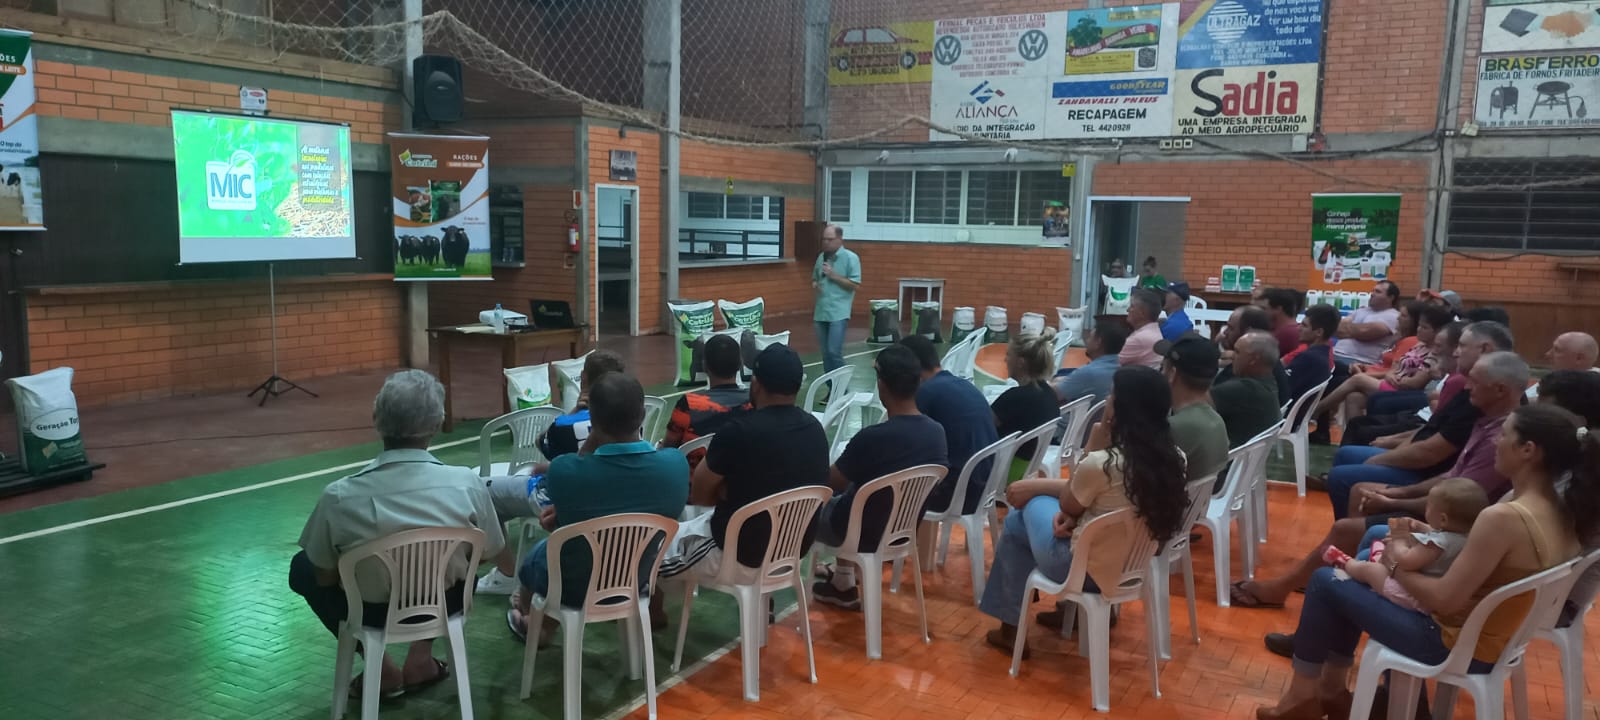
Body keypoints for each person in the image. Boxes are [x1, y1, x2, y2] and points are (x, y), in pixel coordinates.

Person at [1254, 403, 1594, 720]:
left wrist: (1392, 566)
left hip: (1450, 643)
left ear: (1528, 450)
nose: (1496, 443)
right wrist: (1414, 541)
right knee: (1373, 541)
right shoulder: (1563, 508)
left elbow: (1444, 600)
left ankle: (1304, 696)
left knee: (1327, 580)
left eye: (1504, 435)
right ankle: (1335, 690)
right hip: (1493, 638)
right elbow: (1474, 556)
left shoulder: (1505, 516)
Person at [1231, 343, 1527, 610]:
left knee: (1348, 525)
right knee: (1360, 491)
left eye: (1475, 381)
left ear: (1500, 390)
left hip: (1452, 523)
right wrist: (1396, 493)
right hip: (1445, 504)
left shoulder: (1499, 441)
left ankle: (1291, 587)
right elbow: (1451, 475)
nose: (1467, 386)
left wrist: (1393, 501)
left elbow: (1456, 493)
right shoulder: (1488, 420)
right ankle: (1339, 572)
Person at [290, 370, 506, 698]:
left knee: (302, 567)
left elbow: (324, 577)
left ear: (376, 419)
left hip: (372, 613)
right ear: (437, 424)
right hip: (444, 605)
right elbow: (491, 553)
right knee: (465, 568)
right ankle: (421, 659)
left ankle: (379, 666)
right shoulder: (468, 484)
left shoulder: (339, 496)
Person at [978, 366, 1188, 653]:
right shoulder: (1176, 459)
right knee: (1036, 512)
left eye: (1112, 396)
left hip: (1082, 570)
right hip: (1134, 566)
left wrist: (1095, 442)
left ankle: (1011, 628)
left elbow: (1070, 501)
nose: (1107, 399)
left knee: (1019, 516)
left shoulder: (1103, 462)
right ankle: (1068, 612)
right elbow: (1087, 502)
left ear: (1120, 409)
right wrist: (1072, 516)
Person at [508, 373, 689, 642]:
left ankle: (535, 622)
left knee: (542, 553)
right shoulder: (675, 464)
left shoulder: (565, 471)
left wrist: (592, 438)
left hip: (574, 588)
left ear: (592, 420)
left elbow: (578, 488)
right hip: (637, 579)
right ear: (642, 415)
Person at [657, 344, 829, 593]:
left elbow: (701, 496)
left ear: (756, 384)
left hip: (737, 556)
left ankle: (649, 613)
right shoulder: (815, 429)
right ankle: (762, 605)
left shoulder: (738, 432)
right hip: (791, 552)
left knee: (647, 549)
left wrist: (727, 491)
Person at [1316, 322, 1512, 520]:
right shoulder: (1472, 389)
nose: (1455, 352)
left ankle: (1352, 529)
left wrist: (1384, 464)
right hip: (1433, 469)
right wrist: (1394, 447)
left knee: (1344, 477)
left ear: (1485, 349)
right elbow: (1432, 429)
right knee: (1347, 453)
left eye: (1462, 346)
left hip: (1427, 474)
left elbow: (1432, 453)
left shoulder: (1479, 399)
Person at [813, 345, 947, 609]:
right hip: (902, 530)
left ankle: (768, 589)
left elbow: (830, 483)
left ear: (881, 385)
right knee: (857, 491)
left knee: (803, 507)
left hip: (857, 532)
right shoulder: (937, 433)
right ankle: (842, 582)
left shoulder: (872, 438)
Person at [1322, 477, 1490, 613]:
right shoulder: (1467, 537)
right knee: (1383, 554)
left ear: (1443, 519)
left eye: (1429, 506)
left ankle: (1347, 563)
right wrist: (1420, 527)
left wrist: (1399, 539)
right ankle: (1377, 558)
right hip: (1424, 590)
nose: (1426, 510)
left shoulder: (1435, 545)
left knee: (1371, 571)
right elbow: (1442, 534)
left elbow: (1406, 561)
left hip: (1413, 597)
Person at [900, 334, 999, 517]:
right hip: (987, 486)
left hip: (959, 494)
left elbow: (905, 445)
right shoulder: (964, 385)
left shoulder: (925, 392)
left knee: (887, 488)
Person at [1315, 303, 1451, 423]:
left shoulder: (1432, 354)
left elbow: (1415, 383)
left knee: (1356, 379)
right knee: (1354, 397)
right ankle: (1354, 438)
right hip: (1390, 380)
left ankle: (1317, 409)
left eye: (1424, 327)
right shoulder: (1419, 345)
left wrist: (1394, 378)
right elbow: (1395, 366)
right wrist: (1390, 375)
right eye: (1420, 326)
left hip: (1402, 389)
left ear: (1437, 332)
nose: (1419, 329)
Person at [1158, 334, 1232, 489]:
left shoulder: (1175, 427)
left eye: (1162, 368)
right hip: (1202, 501)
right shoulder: (1215, 419)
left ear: (1172, 374)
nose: (1160, 373)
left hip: (1175, 502)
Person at [661, 333, 751, 460]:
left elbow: (668, 448)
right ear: (740, 364)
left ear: (704, 366)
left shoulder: (688, 404)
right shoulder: (754, 401)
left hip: (693, 472)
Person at [994, 329, 1068, 480]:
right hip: (1031, 468)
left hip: (1004, 471)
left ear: (1020, 362)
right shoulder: (1049, 394)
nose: (1005, 360)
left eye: (1008, 355)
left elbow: (983, 428)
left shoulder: (1015, 397)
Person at [540, 350, 627, 460]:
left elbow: (541, 442)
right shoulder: (631, 420)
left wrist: (574, 412)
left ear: (583, 377)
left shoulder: (562, 425)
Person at [1212, 331, 1285, 449]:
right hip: (1245, 456)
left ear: (1253, 359)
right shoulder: (1268, 381)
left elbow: (1193, 405)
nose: (1232, 356)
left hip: (1227, 457)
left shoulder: (1244, 390)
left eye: (1237, 352)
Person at [813, 223, 861, 373]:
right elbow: (815, 278)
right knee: (825, 354)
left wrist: (833, 275)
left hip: (839, 313)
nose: (826, 242)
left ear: (840, 239)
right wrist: (815, 284)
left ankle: (843, 384)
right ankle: (831, 385)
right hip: (821, 312)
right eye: (824, 239)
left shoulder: (851, 258)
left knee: (834, 352)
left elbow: (854, 285)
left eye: (830, 239)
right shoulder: (821, 257)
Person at [1053, 317, 1128, 406]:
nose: (1087, 341)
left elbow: (1052, 394)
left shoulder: (1089, 372)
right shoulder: (1121, 368)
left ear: (1098, 342)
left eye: (1090, 338)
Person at [1333, 280, 1403, 367]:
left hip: (1361, 362)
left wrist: (1348, 329)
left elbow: (1365, 332)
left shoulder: (1394, 316)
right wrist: (1355, 331)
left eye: (1378, 292)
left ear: (1391, 297)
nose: (1372, 294)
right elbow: (1337, 329)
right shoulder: (1361, 310)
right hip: (1336, 354)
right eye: (1373, 291)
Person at [1285, 304, 1339, 405]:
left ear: (1319, 332)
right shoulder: (1323, 354)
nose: (1299, 328)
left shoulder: (1308, 358)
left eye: (1304, 325)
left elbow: (1282, 388)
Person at [1531, 331, 1600, 399]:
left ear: (1578, 358)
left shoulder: (1586, 390)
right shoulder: (1554, 379)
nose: (1548, 354)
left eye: (1557, 350)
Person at [1118, 288, 1165, 370]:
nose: (1128, 310)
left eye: (1132, 306)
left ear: (1142, 313)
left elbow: (1109, 363)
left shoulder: (1141, 338)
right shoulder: (1152, 331)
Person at [1260, 288, 1304, 358]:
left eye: (1264, 308)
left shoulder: (1287, 333)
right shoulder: (1289, 329)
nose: (1261, 311)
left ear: (1278, 309)